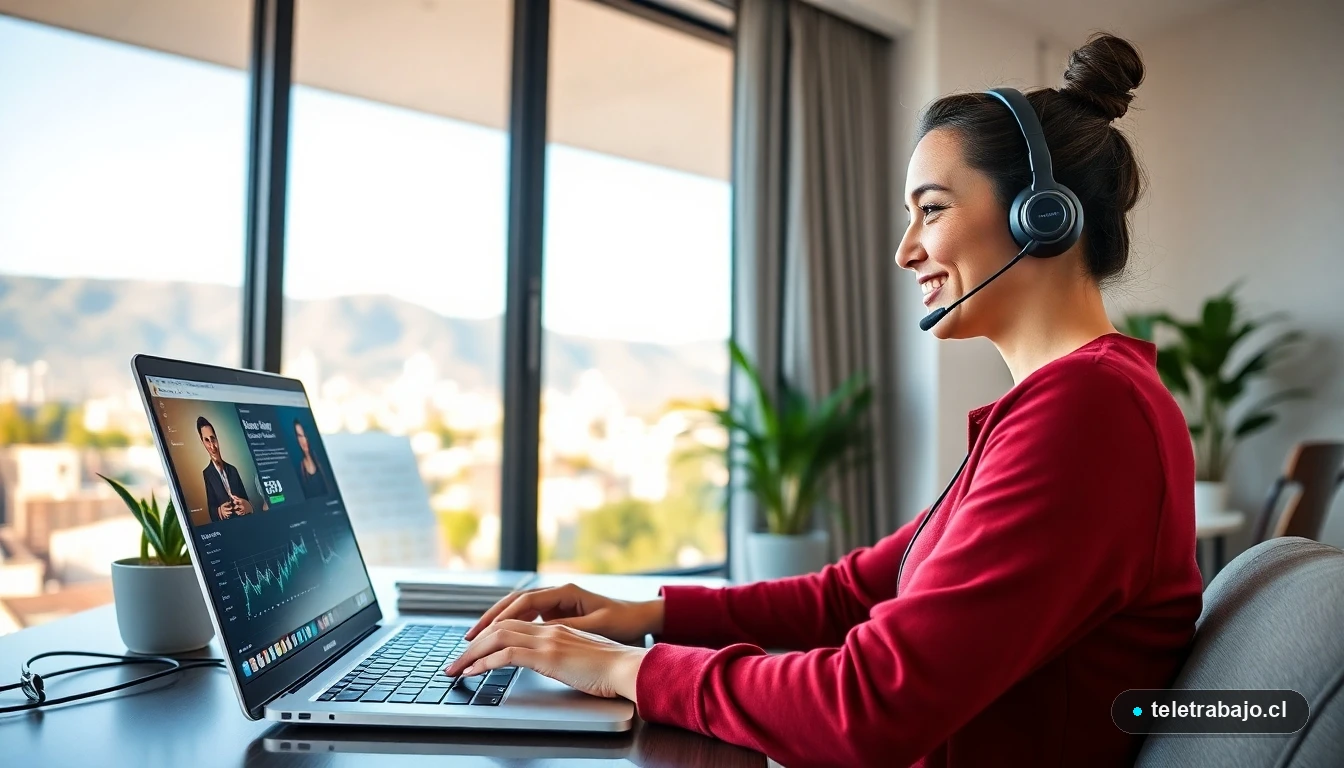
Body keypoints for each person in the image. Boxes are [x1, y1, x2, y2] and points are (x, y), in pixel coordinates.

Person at [442, 33, 1202, 767]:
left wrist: (623, 670)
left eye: (932, 209)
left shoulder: (1090, 412)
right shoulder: (1071, 402)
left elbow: (870, 705)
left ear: (1041, 216)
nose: (905, 250)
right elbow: (854, 592)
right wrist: (650, 614)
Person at [198, 416, 255, 522]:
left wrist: (247, 506)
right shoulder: (207, 474)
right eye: (207, 440)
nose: (212, 446)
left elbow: (246, 500)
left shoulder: (233, 470)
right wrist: (220, 511)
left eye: (213, 438)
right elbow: (211, 508)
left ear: (217, 438)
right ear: (202, 442)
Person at [292, 419, 329, 499]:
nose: (304, 440)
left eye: (304, 435)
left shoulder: (320, 459)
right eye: (299, 436)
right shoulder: (299, 467)